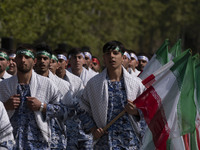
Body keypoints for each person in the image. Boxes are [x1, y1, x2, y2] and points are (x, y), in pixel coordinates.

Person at [79, 40, 146, 149]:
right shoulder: (94, 83)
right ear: (104, 58)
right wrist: (93, 129)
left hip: (130, 142)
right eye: (108, 53)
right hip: (104, 142)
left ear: (123, 57)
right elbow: (82, 108)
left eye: (115, 53)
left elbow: (148, 110)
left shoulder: (136, 83)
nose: (111, 56)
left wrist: (135, 111)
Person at [0, 44, 65, 149]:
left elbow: (64, 111)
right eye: (20, 56)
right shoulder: (4, 86)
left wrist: (42, 106)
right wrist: (4, 106)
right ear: (15, 60)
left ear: (34, 61)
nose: (23, 60)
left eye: (27, 57)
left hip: (38, 145)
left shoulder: (47, 84)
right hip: (11, 144)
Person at [35, 43, 71, 149]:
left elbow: (69, 111)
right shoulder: (25, 82)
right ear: (34, 60)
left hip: (55, 140)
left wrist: (44, 107)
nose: (42, 61)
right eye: (39, 58)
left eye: (45, 58)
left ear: (50, 61)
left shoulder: (63, 85)